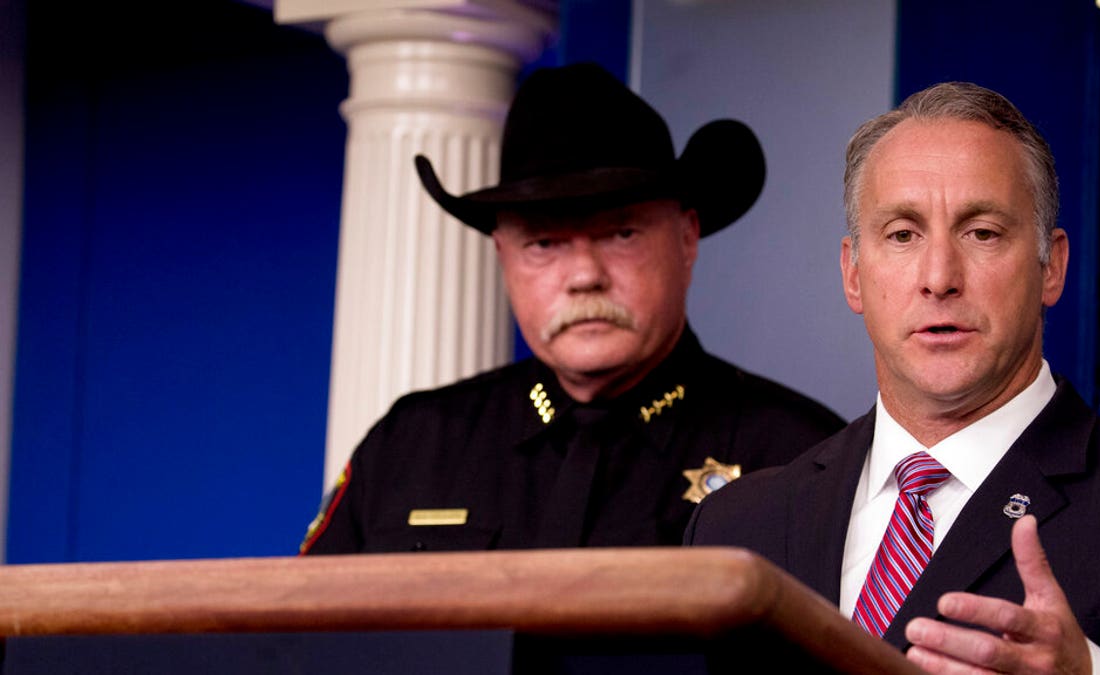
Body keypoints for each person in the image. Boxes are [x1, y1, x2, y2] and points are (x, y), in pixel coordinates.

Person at [684, 81, 1100, 674]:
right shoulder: (739, 523)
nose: (938, 277)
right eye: (903, 235)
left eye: (982, 232)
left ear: (1051, 267)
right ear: (853, 274)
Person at [299, 62, 845, 555]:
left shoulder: (802, 456)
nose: (585, 276)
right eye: (544, 243)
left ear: (686, 238)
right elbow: (301, 646)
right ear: (503, 257)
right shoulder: (412, 445)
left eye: (621, 233)